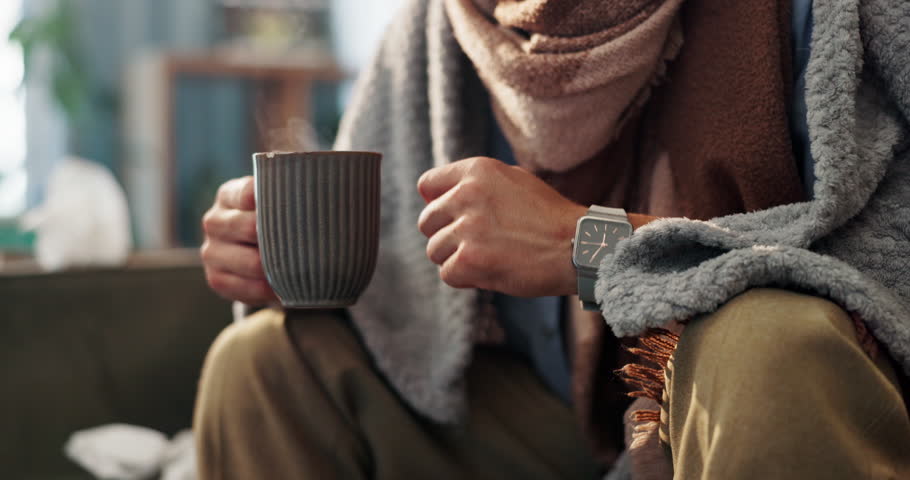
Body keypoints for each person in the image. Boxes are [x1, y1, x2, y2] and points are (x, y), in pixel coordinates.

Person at [194, 0, 910, 478]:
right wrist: (268, 257)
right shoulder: (435, 31)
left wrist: (592, 244)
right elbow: (385, 293)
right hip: (547, 420)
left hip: (727, 415)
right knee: (261, 362)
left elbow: (883, 277)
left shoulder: (832, 16)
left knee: (765, 342)